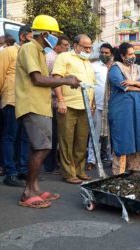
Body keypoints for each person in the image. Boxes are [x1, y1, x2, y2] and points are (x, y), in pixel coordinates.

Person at [15, 15, 80, 208]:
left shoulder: (40, 51)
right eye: (53, 34)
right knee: (42, 148)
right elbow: (37, 79)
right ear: (44, 33)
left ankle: (34, 188)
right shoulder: (29, 48)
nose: (56, 39)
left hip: (41, 105)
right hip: (32, 104)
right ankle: (27, 193)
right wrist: (66, 80)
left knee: (40, 147)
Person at [52, 34, 95, 184]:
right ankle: (68, 173)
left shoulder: (88, 62)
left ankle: (79, 170)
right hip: (68, 106)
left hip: (85, 107)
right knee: (66, 141)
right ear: (76, 45)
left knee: (82, 141)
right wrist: (61, 100)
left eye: (90, 47)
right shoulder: (64, 57)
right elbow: (56, 79)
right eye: (85, 47)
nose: (88, 50)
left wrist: (92, 103)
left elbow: (91, 85)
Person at [107, 42, 140, 175]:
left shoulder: (138, 68)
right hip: (122, 110)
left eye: (134, 53)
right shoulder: (116, 68)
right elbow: (122, 85)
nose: (133, 56)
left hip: (138, 109)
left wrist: (133, 82)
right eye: (130, 54)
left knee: (137, 136)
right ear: (122, 55)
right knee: (123, 136)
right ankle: (119, 172)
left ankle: (134, 171)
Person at [0, 25, 32, 187]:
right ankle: (10, 172)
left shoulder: (31, 54)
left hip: (28, 101)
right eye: (32, 38)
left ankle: (22, 170)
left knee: (25, 137)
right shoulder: (9, 51)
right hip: (12, 99)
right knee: (10, 136)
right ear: (23, 37)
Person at [44, 35, 70, 173]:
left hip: (58, 100)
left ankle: (54, 162)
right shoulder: (50, 57)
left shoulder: (61, 58)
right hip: (51, 100)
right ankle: (50, 165)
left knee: (57, 134)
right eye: (64, 45)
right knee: (52, 134)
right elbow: (47, 78)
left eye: (67, 45)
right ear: (56, 45)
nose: (67, 48)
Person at [86, 43, 113, 170]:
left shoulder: (116, 67)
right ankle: (91, 160)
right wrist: (91, 102)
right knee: (95, 134)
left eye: (106, 53)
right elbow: (89, 85)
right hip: (97, 105)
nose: (104, 54)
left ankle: (112, 158)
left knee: (112, 135)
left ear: (111, 54)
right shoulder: (94, 66)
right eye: (102, 52)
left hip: (113, 107)